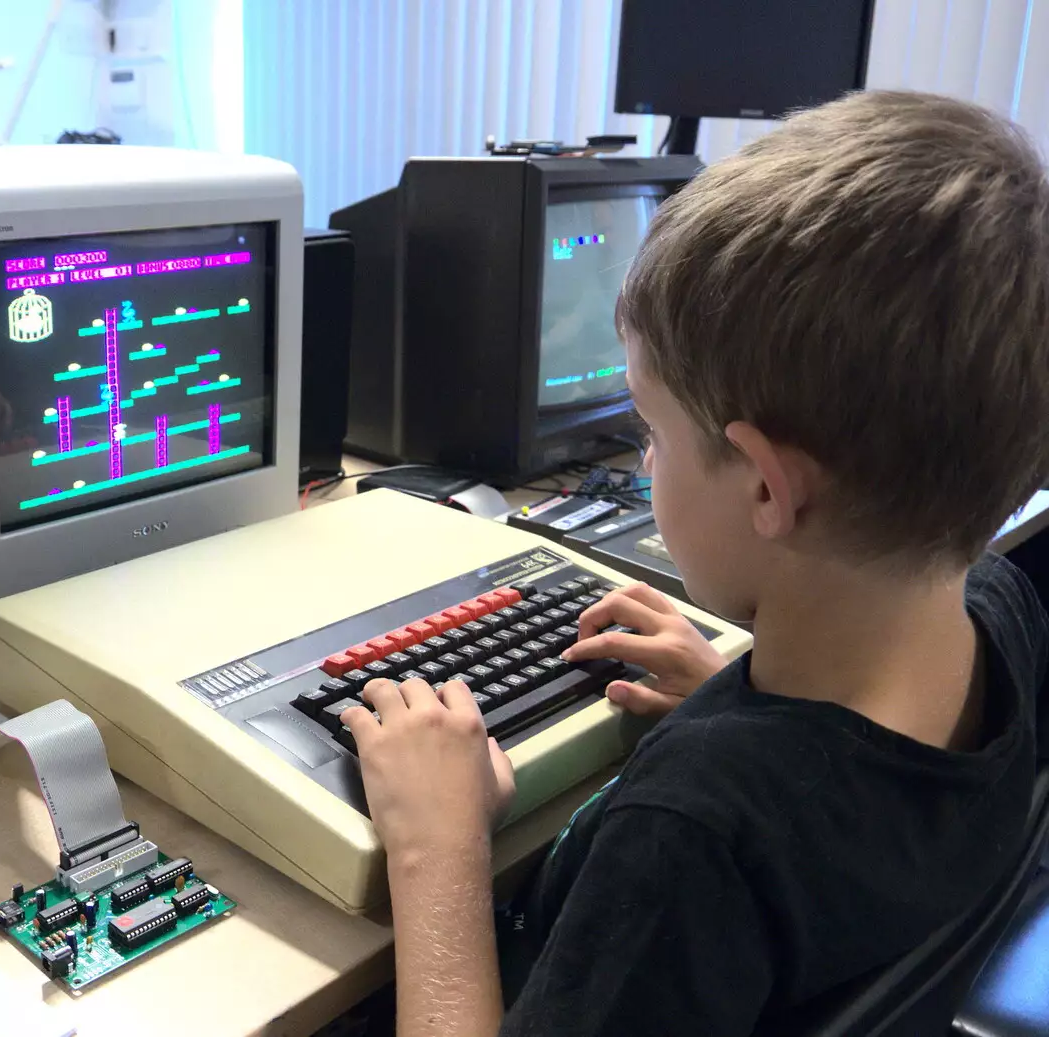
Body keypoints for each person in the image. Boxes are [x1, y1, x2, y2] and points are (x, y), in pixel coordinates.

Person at [343, 89, 1049, 1036]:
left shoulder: (693, 839)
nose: (642, 461)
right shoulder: (1002, 609)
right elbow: (861, 806)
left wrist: (438, 850)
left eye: (654, 433)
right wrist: (732, 692)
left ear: (766, 487)